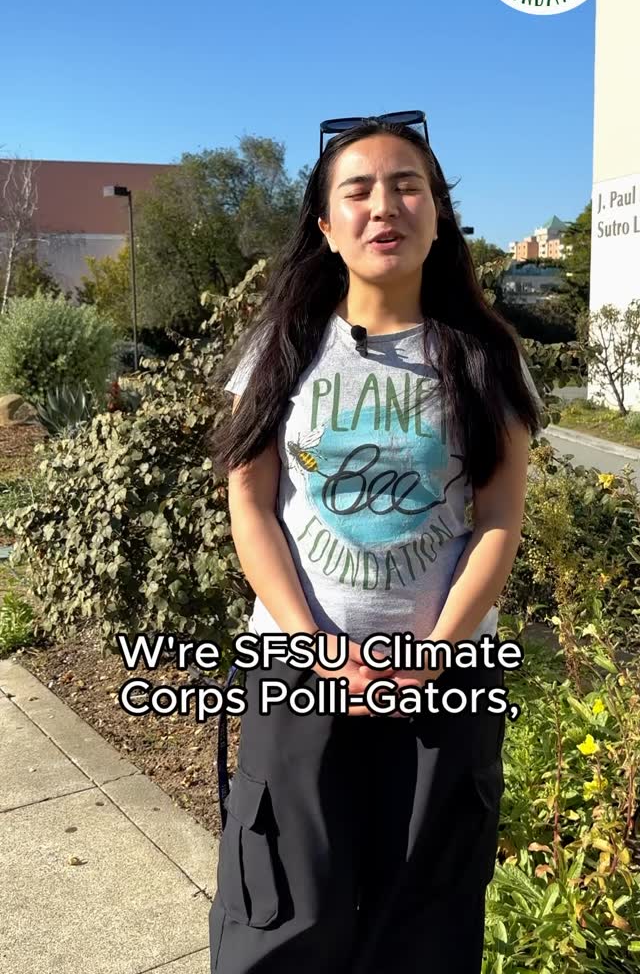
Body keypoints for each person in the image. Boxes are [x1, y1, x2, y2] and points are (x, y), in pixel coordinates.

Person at [206, 112, 544, 974]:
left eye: (407, 186)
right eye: (356, 190)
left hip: (444, 681)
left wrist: (431, 656)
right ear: (325, 225)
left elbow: (499, 516)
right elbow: (250, 505)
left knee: (422, 918)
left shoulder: (486, 356)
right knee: (281, 912)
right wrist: (316, 647)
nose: (383, 205)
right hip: (297, 670)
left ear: (439, 214)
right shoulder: (280, 350)